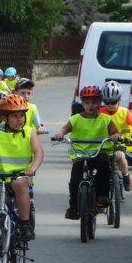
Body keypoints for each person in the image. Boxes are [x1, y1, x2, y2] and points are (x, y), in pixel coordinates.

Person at [0, 94, 43, 258]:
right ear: (4, 118)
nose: (20, 119)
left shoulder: (29, 132)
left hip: (20, 177)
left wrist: (32, 168)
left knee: (19, 185)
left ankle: (25, 225)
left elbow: (39, 151)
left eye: (22, 115)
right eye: (15, 116)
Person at [51, 85, 119, 220]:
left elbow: (114, 131)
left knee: (105, 166)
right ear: (82, 103)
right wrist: (60, 134)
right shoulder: (76, 118)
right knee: (75, 180)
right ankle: (74, 207)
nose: (91, 106)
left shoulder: (106, 119)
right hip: (80, 155)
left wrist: (115, 135)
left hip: (99, 153)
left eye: (94, 102)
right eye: (87, 102)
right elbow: (65, 129)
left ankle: (102, 196)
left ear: (100, 102)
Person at [99, 79, 132, 191]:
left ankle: (126, 177)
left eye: (113, 102)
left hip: (120, 142)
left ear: (119, 100)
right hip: (104, 143)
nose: (110, 105)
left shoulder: (124, 112)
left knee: (120, 156)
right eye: (107, 102)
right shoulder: (100, 112)